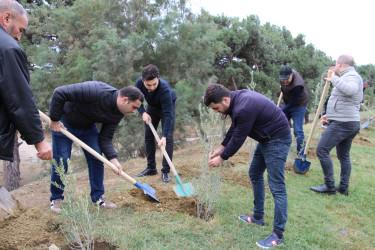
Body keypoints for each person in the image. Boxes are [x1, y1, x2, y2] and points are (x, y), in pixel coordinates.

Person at [204, 83, 292, 249]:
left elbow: (238, 138)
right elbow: (235, 128)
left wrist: (221, 158)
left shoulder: (243, 107)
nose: (216, 112)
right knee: (255, 173)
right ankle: (258, 217)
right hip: (267, 138)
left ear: (224, 99)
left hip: (277, 139)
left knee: (277, 186)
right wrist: (220, 148)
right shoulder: (236, 100)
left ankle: (278, 235)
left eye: (216, 108)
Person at [48, 82, 144, 213]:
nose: (134, 112)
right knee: (62, 160)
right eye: (134, 107)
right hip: (64, 122)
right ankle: (56, 198)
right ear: (125, 100)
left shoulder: (118, 112)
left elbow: (105, 138)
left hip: (87, 127)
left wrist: (113, 159)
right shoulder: (96, 90)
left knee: (97, 159)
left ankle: (98, 197)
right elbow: (59, 92)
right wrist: (54, 120)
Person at [0, 0, 52, 162]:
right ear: (7, 18)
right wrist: (39, 140)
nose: (19, 37)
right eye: (20, 30)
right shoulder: (8, 48)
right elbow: (18, 97)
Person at [310, 55, 362, 196]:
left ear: (339, 64)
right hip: (347, 121)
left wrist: (333, 78)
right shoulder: (349, 76)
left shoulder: (351, 76)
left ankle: (329, 186)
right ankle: (343, 188)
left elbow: (350, 90)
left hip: (344, 123)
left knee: (321, 149)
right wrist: (331, 116)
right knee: (343, 156)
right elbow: (345, 100)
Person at [135, 64, 177, 183]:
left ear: (158, 78)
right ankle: (151, 168)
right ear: (143, 81)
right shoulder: (138, 83)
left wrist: (163, 137)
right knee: (148, 136)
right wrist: (143, 112)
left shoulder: (164, 90)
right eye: (148, 85)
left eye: (154, 83)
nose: (152, 87)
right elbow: (136, 100)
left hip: (166, 109)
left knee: (168, 139)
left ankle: (165, 171)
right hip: (152, 108)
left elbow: (168, 114)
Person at [278, 65, 308, 156]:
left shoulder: (297, 85)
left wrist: (279, 112)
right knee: (278, 123)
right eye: (282, 80)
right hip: (288, 102)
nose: (284, 81)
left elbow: (292, 104)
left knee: (298, 131)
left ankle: (301, 154)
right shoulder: (285, 76)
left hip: (299, 105)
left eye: (286, 79)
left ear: (291, 75)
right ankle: (278, 148)